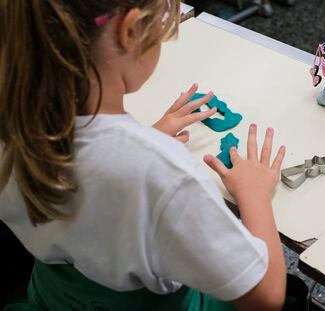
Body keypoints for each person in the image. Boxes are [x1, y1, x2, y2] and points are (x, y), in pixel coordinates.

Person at [0, 0, 290, 310]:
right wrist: (254, 194)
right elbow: (266, 296)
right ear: (132, 30)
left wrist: (134, 143)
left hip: (52, 300)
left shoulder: (13, 124)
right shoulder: (162, 175)